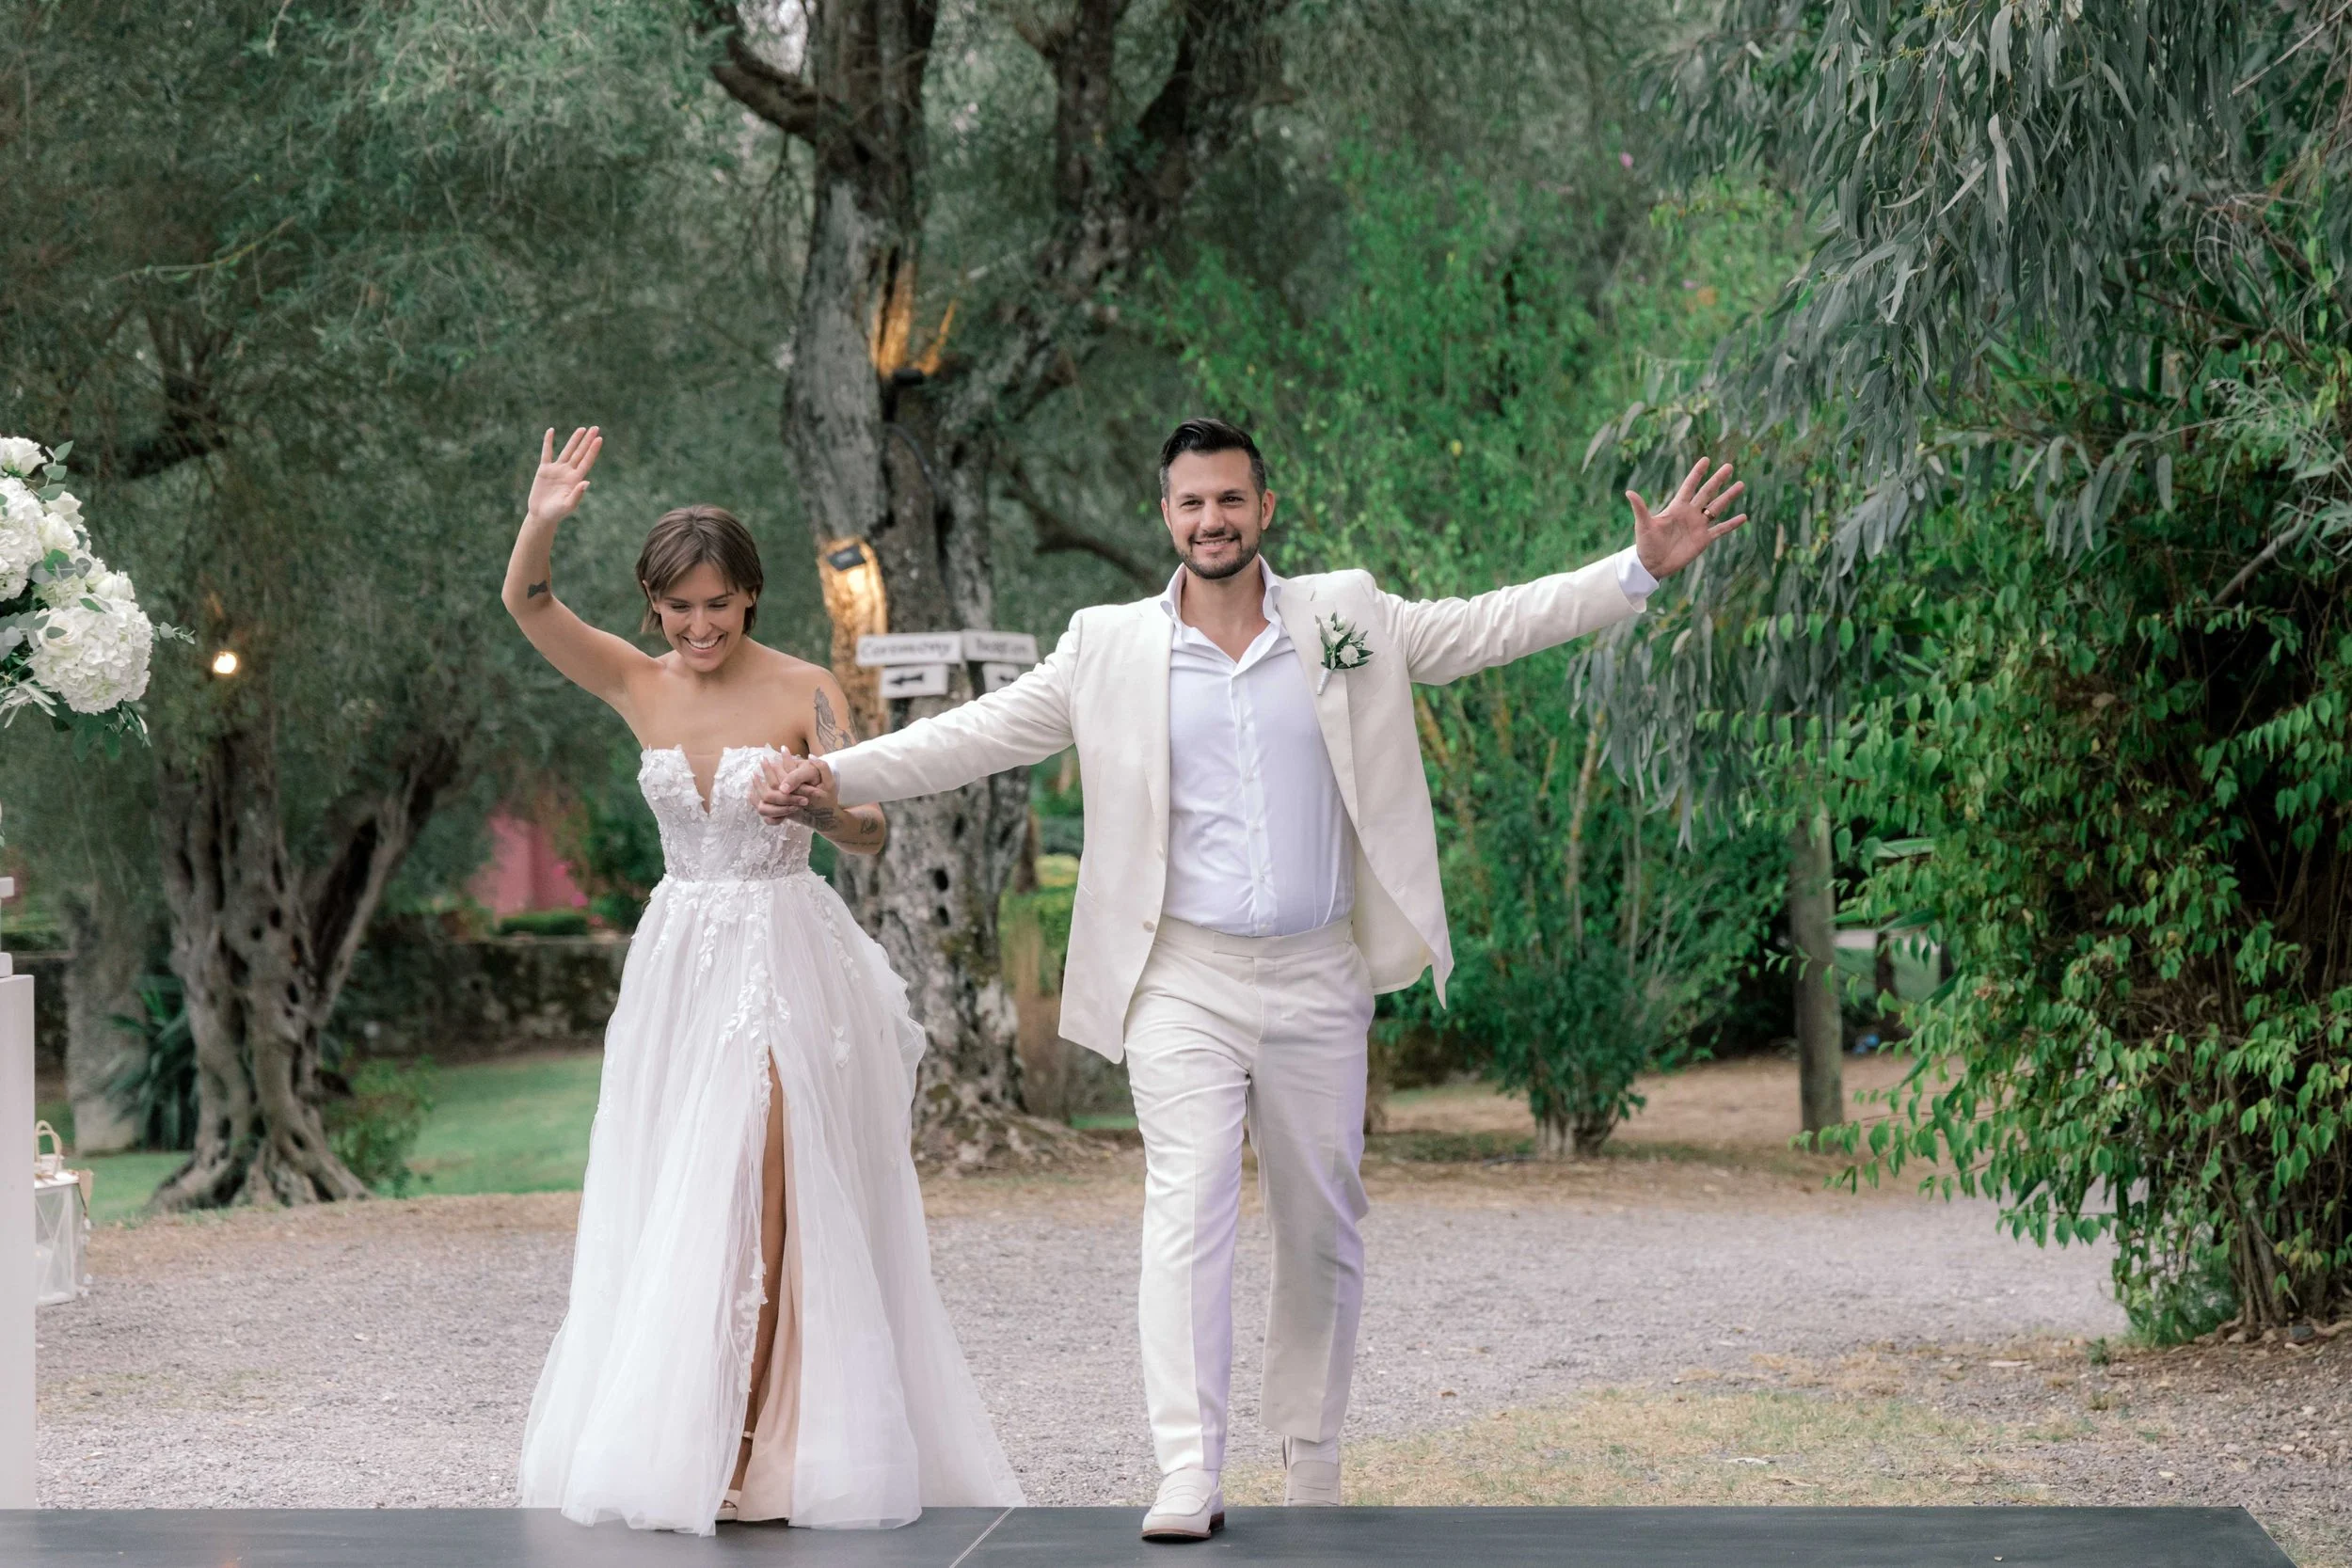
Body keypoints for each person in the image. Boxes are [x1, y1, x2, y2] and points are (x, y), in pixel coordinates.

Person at [758, 417, 1744, 1542]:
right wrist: (835, 772)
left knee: (1321, 1224)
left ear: (1263, 508)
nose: (1211, 519)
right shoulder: (1106, 645)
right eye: (1191, 502)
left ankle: (1312, 1458)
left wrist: (1635, 569)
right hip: (1179, 974)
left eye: (1230, 499)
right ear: (1165, 515)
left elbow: (1487, 625)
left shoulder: (1345, 615)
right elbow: (975, 735)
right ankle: (1188, 1466)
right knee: (1187, 1206)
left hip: (1318, 971)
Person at [503, 427, 1023, 1534]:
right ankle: (696, 1437)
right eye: (678, 608)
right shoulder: (636, 681)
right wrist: (542, 518)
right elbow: (530, 605)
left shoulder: (805, 686)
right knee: (689, 1189)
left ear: (749, 595)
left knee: (772, 1176)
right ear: (653, 605)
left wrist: (821, 805)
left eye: (718, 605)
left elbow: (873, 825)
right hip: (680, 964)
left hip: (786, 955)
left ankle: (765, 1442)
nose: (699, 627)